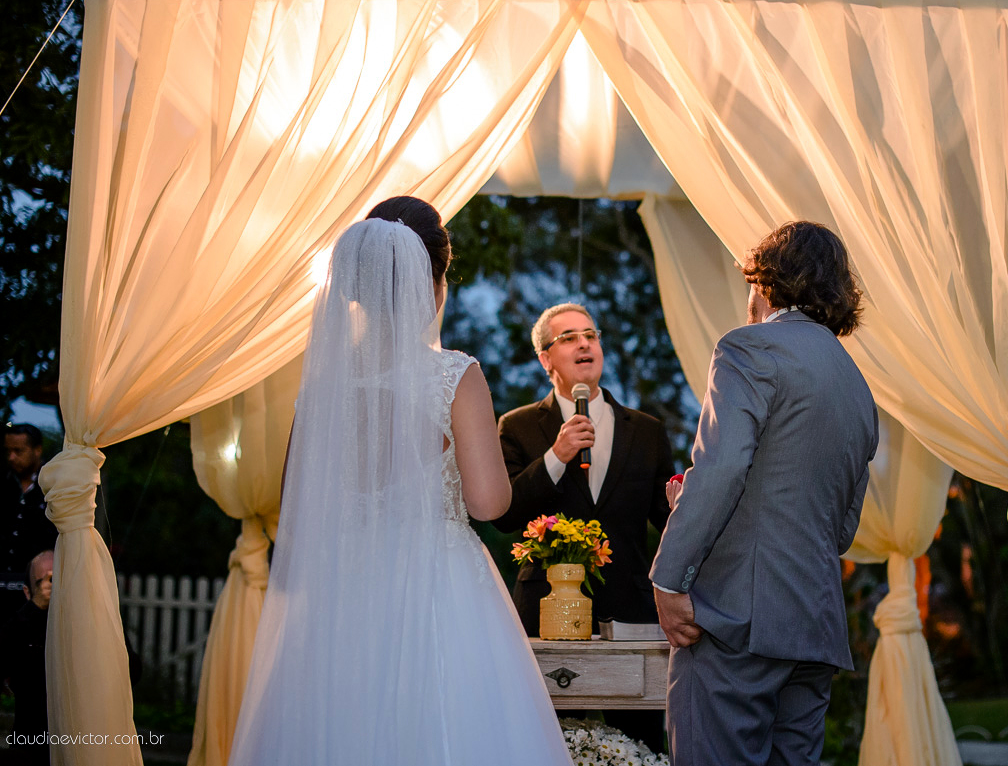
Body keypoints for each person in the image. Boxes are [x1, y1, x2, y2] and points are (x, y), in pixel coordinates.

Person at [227, 199, 571, 766]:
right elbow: (489, 503)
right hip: (440, 590)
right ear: (432, 284)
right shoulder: (453, 375)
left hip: (343, 595)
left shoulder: (321, 390)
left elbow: (297, 510)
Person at [650, 220, 879, 766]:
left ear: (766, 281)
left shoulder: (747, 349)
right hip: (814, 627)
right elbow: (840, 531)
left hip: (737, 622)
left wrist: (669, 576)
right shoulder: (858, 386)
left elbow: (721, 466)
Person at [493, 303, 674, 751]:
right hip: (544, 610)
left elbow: (668, 521)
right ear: (545, 358)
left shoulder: (647, 430)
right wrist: (556, 456)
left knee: (641, 746)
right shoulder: (516, 427)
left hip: (629, 613)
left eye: (590, 335)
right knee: (544, 743)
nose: (584, 343)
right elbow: (505, 515)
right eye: (569, 337)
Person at [1, 550, 53, 766]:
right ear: (27, 591)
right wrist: (34, 608)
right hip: (30, 743)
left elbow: (131, 669)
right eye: (45, 580)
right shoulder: (23, 624)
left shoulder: (89, 618)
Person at [2, 425, 57, 621]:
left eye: (18, 451)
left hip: (37, 588)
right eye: (8, 451)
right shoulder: (5, 484)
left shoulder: (52, 486)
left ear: (37, 450)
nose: (12, 458)